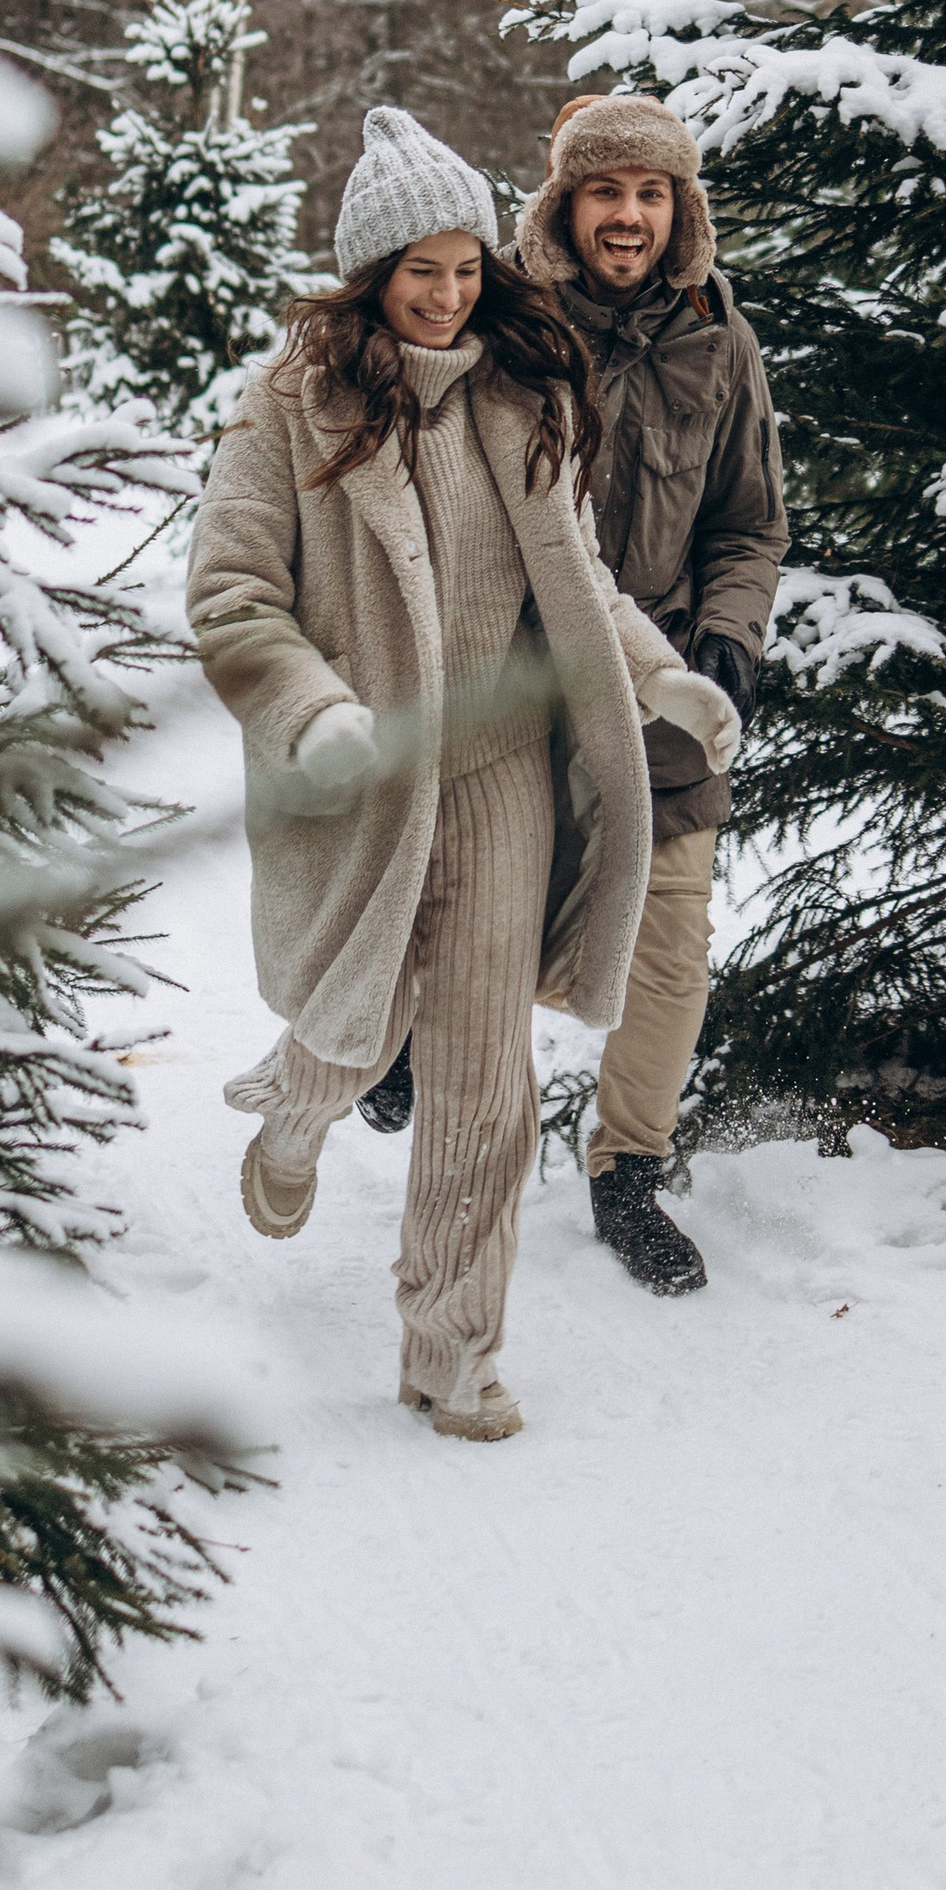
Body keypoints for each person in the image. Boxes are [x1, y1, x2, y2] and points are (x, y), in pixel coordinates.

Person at [189, 105, 742, 1440]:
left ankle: (453, 1351)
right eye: (417, 270)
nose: (446, 295)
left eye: (464, 267)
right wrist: (314, 714)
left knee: (486, 1080)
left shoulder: (523, 393)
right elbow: (231, 596)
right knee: (361, 1015)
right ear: (369, 276)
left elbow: (581, 580)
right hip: (363, 768)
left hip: (497, 775)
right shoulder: (287, 406)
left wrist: (660, 677)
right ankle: (294, 1109)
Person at [367, 89, 785, 1298]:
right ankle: (398, 1046)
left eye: (651, 193)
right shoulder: (503, 328)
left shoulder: (722, 340)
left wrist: (726, 645)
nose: (629, 215)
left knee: (671, 945)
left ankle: (630, 1170)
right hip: (513, 677)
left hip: (664, 684)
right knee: (467, 905)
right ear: (564, 202)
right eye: (605, 190)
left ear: (679, 209)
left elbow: (750, 522)